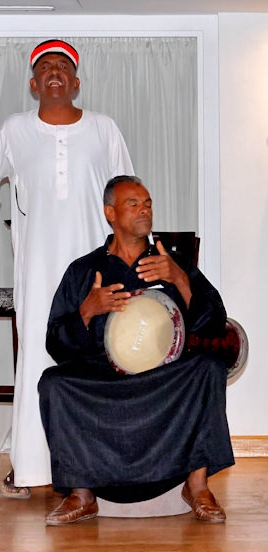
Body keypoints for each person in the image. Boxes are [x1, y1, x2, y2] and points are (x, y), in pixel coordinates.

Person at [0, 39, 134, 497]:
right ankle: (35, 467)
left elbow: (125, 193)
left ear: (76, 82)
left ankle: (100, 469)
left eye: (63, 66)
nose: (54, 72)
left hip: (95, 266)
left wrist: (131, 255)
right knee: (39, 355)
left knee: (99, 355)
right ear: (33, 84)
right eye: (45, 67)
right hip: (38, 268)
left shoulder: (103, 129)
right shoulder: (15, 130)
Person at [39, 175, 234, 525]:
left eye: (148, 204)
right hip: (105, 377)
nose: (145, 210)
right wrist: (88, 310)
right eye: (134, 204)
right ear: (110, 212)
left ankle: (197, 486)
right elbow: (56, 343)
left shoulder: (171, 261)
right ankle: (81, 494)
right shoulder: (84, 270)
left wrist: (179, 278)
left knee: (208, 366)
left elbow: (213, 321)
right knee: (55, 382)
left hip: (164, 377)